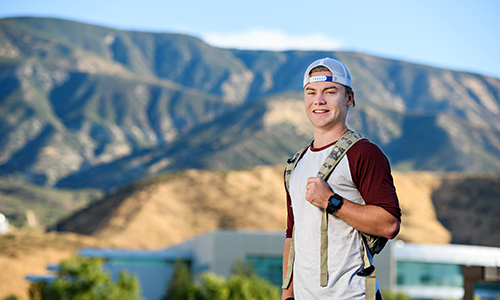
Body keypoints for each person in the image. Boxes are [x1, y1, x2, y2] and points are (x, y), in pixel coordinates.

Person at [281, 57, 401, 300]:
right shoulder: (296, 164)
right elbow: (292, 236)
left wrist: (332, 201)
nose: (319, 100)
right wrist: (287, 294)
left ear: (349, 98)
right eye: (311, 92)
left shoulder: (364, 153)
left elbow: (389, 224)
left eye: (330, 91)